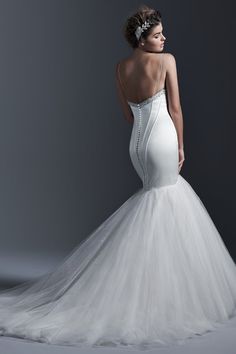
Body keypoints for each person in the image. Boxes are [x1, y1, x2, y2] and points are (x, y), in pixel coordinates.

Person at [0, 4, 236, 351]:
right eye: (157, 35)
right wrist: (182, 146)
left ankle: (153, 289)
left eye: (162, 35)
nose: (163, 39)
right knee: (165, 205)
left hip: (137, 146)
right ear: (143, 40)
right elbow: (175, 109)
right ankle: (162, 297)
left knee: (156, 205)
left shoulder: (120, 68)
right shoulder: (166, 60)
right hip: (162, 140)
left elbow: (128, 116)